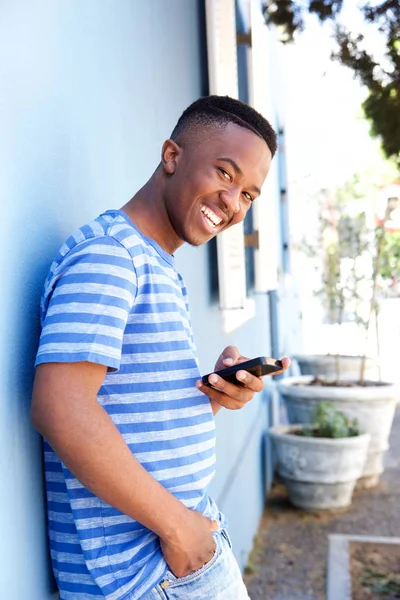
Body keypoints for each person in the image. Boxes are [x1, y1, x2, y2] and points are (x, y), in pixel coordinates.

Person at [31, 95, 290, 600]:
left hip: (178, 555)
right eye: (224, 173)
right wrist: (180, 531)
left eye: (249, 195)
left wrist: (211, 396)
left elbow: (129, 411)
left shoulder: (155, 264)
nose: (233, 203)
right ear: (172, 156)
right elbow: (61, 407)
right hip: (146, 574)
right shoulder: (111, 256)